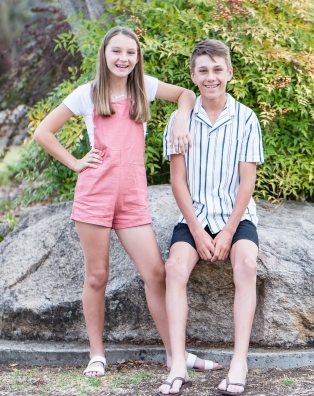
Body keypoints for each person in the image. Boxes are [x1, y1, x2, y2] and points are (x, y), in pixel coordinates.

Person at [34, 26, 219, 377]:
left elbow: (186, 96)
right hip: (95, 196)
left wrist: (181, 121)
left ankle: (174, 355)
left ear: (137, 57)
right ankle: (97, 354)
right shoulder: (87, 94)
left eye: (131, 53)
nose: (124, 59)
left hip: (133, 196)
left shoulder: (144, 87)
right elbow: (43, 131)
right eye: (117, 51)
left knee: (155, 273)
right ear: (105, 54)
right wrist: (75, 163)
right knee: (97, 276)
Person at [159, 39, 264, 396]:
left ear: (229, 73)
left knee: (247, 265)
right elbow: (177, 181)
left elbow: (247, 183)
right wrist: (198, 232)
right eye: (203, 70)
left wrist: (228, 232)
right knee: (173, 270)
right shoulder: (180, 120)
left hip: (236, 216)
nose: (211, 76)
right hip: (194, 216)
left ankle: (239, 362)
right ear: (193, 75)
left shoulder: (247, 118)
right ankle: (177, 364)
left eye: (217, 69)